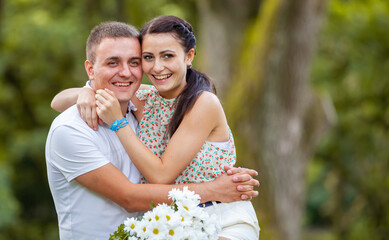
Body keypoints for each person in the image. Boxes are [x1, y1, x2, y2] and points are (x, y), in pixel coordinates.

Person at [46, 21, 259, 240]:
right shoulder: (147, 99)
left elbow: (160, 175)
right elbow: (57, 101)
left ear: (188, 56)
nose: (157, 67)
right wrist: (88, 93)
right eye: (148, 58)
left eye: (167, 56)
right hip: (171, 224)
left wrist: (118, 122)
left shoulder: (203, 103)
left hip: (221, 217)